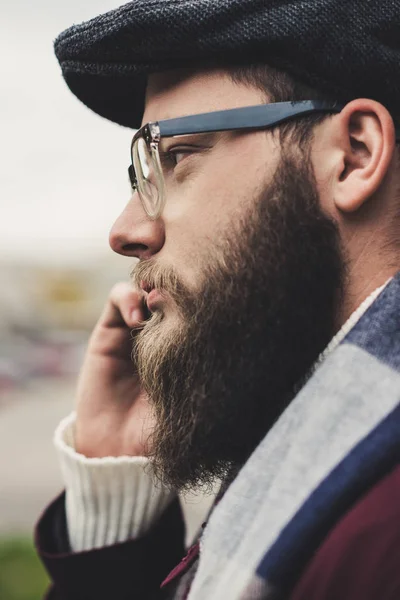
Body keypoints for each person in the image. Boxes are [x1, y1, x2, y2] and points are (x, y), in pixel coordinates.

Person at [35, 1, 400, 598]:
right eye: (140, 177)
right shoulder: (331, 440)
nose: (127, 230)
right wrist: (116, 491)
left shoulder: (380, 521)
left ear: (355, 155)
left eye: (176, 156)